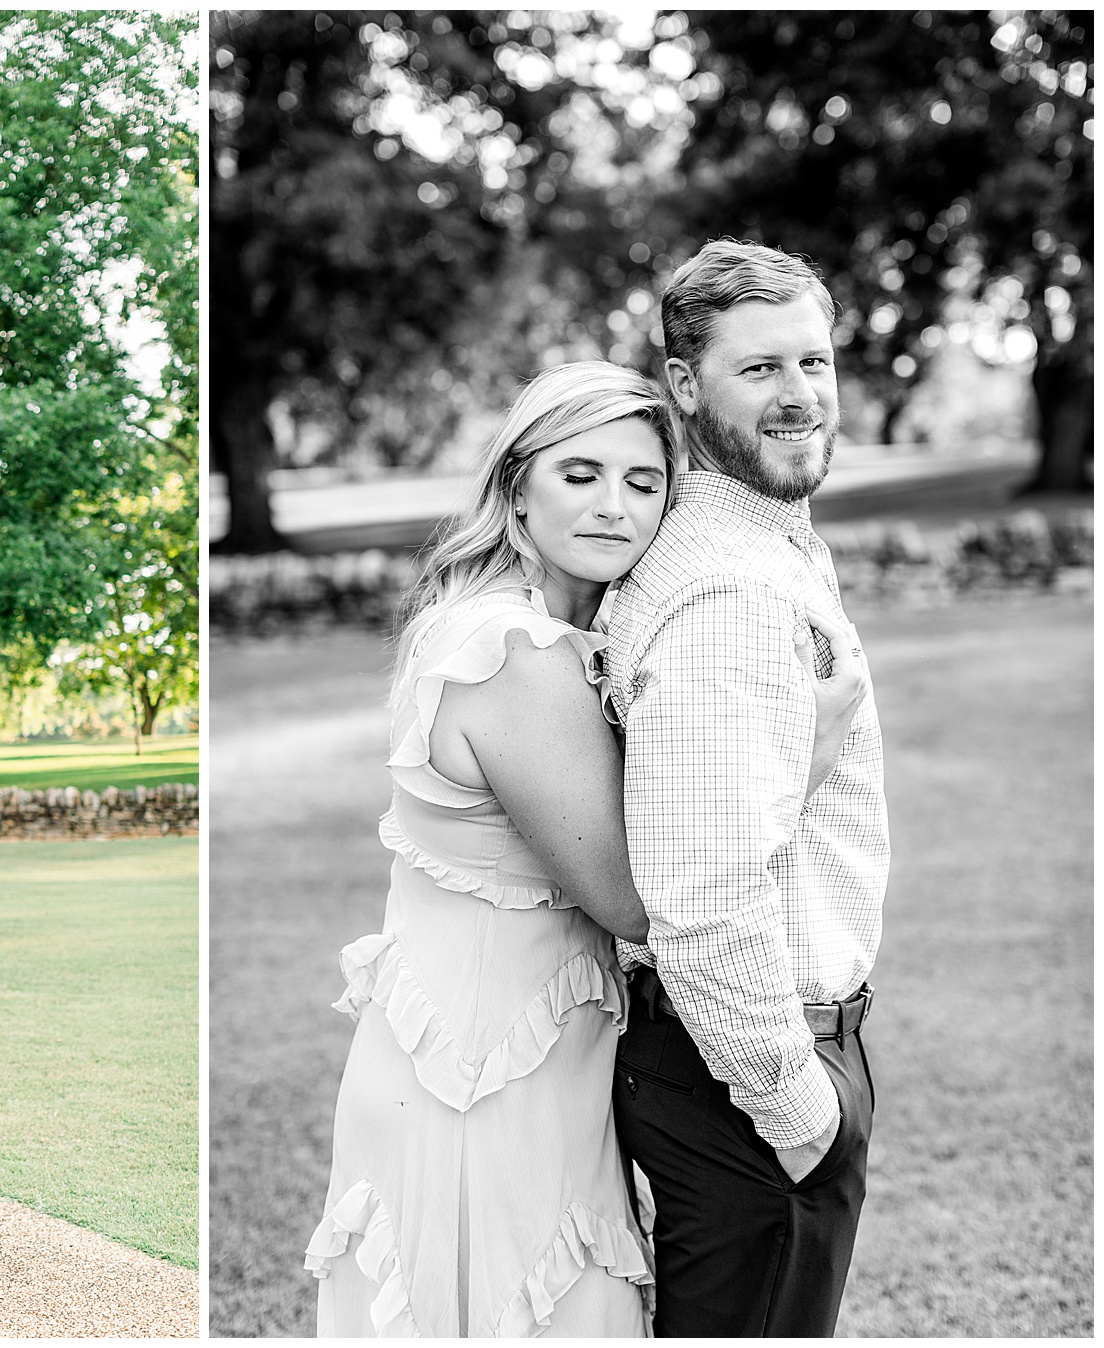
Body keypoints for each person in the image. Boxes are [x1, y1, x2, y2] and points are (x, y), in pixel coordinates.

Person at [305, 360, 866, 1335]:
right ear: (517, 482)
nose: (614, 506)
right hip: (486, 1078)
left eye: (643, 483)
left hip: (522, 1051)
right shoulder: (513, 656)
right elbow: (637, 899)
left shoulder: (526, 627)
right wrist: (805, 758)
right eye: (581, 474)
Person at [606, 239, 888, 1336]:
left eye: (814, 362)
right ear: (685, 387)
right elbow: (705, 890)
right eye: (761, 368)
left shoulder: (763, 547)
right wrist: (798, 1108)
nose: (800, 394)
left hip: (757, 1057)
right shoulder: (726, 590)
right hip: (750, 1078)